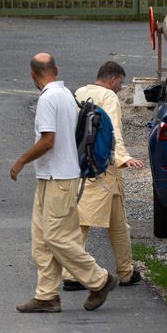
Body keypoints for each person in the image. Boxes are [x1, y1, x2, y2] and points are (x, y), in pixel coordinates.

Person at [10, 53, 117, 313]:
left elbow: (48, 140)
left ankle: (100, 279)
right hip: (53, 176)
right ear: (55, 70)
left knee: (57, 237)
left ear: (33, 74)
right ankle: (46, 296)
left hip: (59, 177)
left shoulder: (48, 98)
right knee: (42, 239)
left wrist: (21, 161)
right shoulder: (67, 95)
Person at [62, 61, 144, 290]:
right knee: (83, 222)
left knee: (118, 224)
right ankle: (71, 274)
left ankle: (126, 271)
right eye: (120, 83)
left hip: (82, 163)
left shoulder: (80, 92)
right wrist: (123, 158)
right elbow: (113, 131)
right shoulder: (109, 97)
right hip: (102, 168)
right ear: (113, 79)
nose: (121, 87)